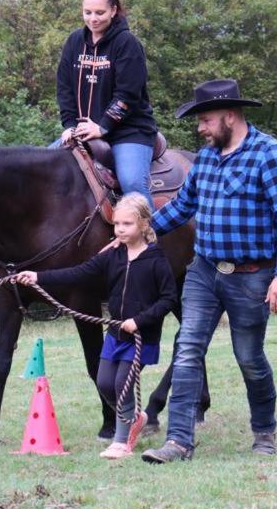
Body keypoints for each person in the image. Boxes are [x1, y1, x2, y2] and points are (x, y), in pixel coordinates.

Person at [140, 79, 277, 464]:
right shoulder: (206, 158)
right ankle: (178, 442)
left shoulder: (270, 154)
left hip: (253, 276)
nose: (201, 128)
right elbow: (183, 206)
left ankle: (264, 432)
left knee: (249, 358)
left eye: (206, 120)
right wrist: (142, 232)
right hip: (204, 271)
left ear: (230, 116)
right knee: (187, 350)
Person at [15, 193, 178, 459]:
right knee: (103, 382)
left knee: (122, 384)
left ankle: (121, 442)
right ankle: (134, 419)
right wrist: (38, 277)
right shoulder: (112, 256)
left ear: (144, 224)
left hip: (140, 336)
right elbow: (78, 273)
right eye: (117, 224)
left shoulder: (156, 260)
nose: (120, 230)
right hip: (115, 334)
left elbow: (168, 299)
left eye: (127, 224)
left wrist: (139, 321)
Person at [52, 0, 159, 208]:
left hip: (129, 132)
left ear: (113, 10)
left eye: (99, 12)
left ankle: (149, 232)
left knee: (132, 184)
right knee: (44, 170)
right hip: (84, 131)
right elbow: (64, 87)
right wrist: (69, 124)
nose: (93, 18)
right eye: (87, 12)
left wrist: (102, 126)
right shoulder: (74, 42)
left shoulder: (127, 43)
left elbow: (128, 94)